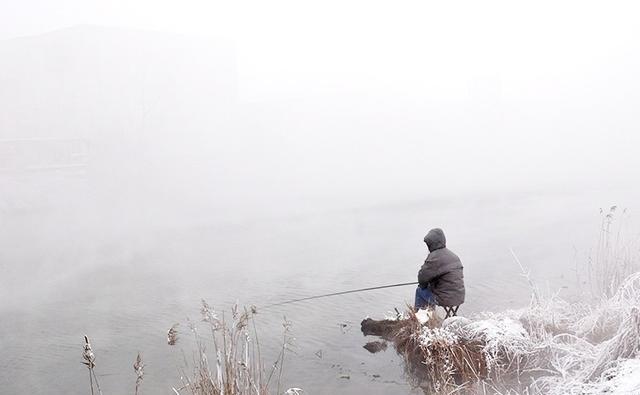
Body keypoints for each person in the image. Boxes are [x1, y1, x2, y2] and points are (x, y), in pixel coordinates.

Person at [415, 228, 465, 310]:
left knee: (420, 291)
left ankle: (421, 319)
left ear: (431, 244)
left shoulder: (434, 257)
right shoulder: (453, 255)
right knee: (429, 288)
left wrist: (423, 285)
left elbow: (422, 278)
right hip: (459, 297)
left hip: (445, 299)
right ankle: (430, 317)